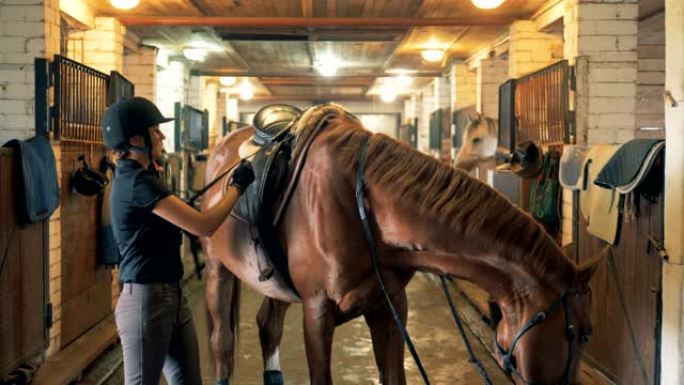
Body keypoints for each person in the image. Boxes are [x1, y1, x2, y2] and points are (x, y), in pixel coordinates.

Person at [101, 97, 254, 385]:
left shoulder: (145, 176)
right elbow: (204, 226)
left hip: (171, 296)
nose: (161, 135)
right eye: (155, 130)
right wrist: (237, 188)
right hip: (146, 300)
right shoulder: (138, 183)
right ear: (136, 139)